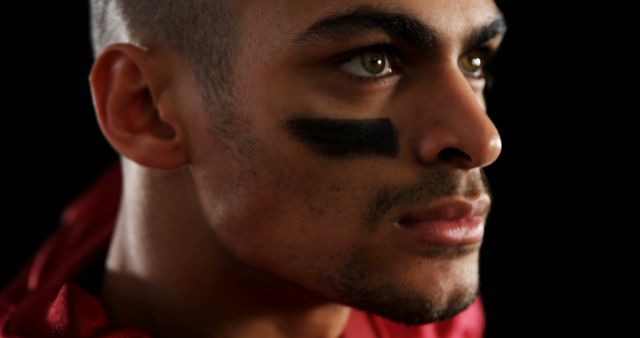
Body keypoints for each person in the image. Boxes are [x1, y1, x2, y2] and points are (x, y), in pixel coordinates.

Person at [0, 0, 506, 337]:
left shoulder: (397, 272)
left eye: (475, 60)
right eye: (372, 62)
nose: (483, 140)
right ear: (147, 110)